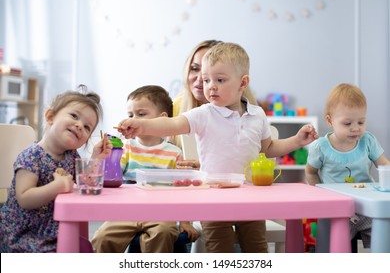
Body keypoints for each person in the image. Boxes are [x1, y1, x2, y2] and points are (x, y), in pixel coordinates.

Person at [116, 42, 318, 253]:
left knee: (257, 251)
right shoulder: (204, 114)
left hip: (250, 197)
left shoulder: (257, 114)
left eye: (220, 80)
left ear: (243, 83)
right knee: (218, 253)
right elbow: (172, 124)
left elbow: (268, 148)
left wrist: (297, 140)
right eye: (206, 79)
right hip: (212, 198)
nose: (210, 86)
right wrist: (142, 125)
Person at [0, 85, 112, 253]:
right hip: (24, 235)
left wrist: (96, 158)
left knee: (86, 249)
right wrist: (57, 187)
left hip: (54, 229)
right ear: (50, 116)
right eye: (74, 116)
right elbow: (24, 198)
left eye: (87, 127)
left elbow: (84, 182)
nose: (80, 125)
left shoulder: (72, 156)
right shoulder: (31, 156)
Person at [91, 85, 199, 253]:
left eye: (141, 114)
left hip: (161, 215)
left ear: (162, 119)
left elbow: (183, 191)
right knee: (102, 237)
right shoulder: (125, 149)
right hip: (127, 213)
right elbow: (111, 179)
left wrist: (185, 222)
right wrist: (107, 157)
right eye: (130, 115)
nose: (133, 119)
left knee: (163, 233)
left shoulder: (174, 153)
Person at [305, 83, 390, 250]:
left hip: (366, 207)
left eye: (361, 122)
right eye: (347, 123)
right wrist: (321, 194)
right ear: (330, 121)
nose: (355, 128)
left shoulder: (368, 141)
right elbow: (310, 172)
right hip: (337, 210)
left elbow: (385, 165)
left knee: (383, 239)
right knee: (336, 249)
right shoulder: (320, 147)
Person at [172, 39, 257, 170]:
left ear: (242, 83)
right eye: (194, 68)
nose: (201, 79)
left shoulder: (252, 115)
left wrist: (209, 165)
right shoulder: (175, 106)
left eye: (219, 78)